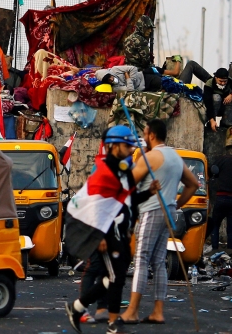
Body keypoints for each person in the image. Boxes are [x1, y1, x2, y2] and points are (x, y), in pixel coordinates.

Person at [65, 126, 158, 334]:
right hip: (106, 232)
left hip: (122, 231)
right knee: (115, 277)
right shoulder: (104, 171)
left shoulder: (124, 169)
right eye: (126, 146)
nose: (130, 150)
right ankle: (114, 324)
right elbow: (96, 205)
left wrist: (149, 193)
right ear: (113, 146)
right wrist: (100, 236)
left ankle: (77, 307)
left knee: (114, 276)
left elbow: (129, 200)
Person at [118, 119, 199, 325]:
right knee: (158, 261)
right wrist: (177, 204)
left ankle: (133, 310)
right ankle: (157, 311)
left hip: (151, 210)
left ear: (151, 135)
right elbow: (193, 184)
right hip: (168, 210)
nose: (143, 138)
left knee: (141, 258)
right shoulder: (174, 156)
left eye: (145, 134)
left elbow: (128, 184)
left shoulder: (150, 157)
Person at [207, 149, 232, 252]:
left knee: (215, 224)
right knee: (231, 227)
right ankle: (230, 249)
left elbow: (212, 170)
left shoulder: (221, 159)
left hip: (221, 197)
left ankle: (214, 248)